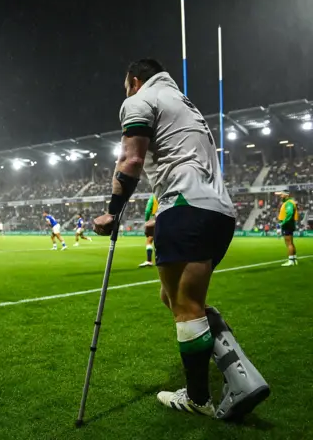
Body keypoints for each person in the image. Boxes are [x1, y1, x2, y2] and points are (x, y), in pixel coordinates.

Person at [93, 59, 269, 419]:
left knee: (186, 304)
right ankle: (241, 377)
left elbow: (131, 158)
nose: (126, 93)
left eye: (127, 86)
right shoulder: (184, 103)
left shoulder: (141, 99)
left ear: (135, 81)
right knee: (173, 296)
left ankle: (199, 398)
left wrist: (112, 210)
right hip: (219, 212)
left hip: (185, 204)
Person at [276, 191, 299, 266]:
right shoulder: (289, 202)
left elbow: (289, 213)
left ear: (286, 195)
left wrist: (283, 223)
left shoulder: (289, 203)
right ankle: (294, 259)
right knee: (291, 243)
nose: (280, 196)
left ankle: (290, 261)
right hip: (289, 224)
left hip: (287, 225)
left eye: (282, 195)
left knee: (288, 243)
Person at [139, 194, 158, 267]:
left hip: (156, 218)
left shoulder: (153, 196)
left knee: (149, 241)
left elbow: (147, 210)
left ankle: (149, 260)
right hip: (168, 217)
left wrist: (147, 221)